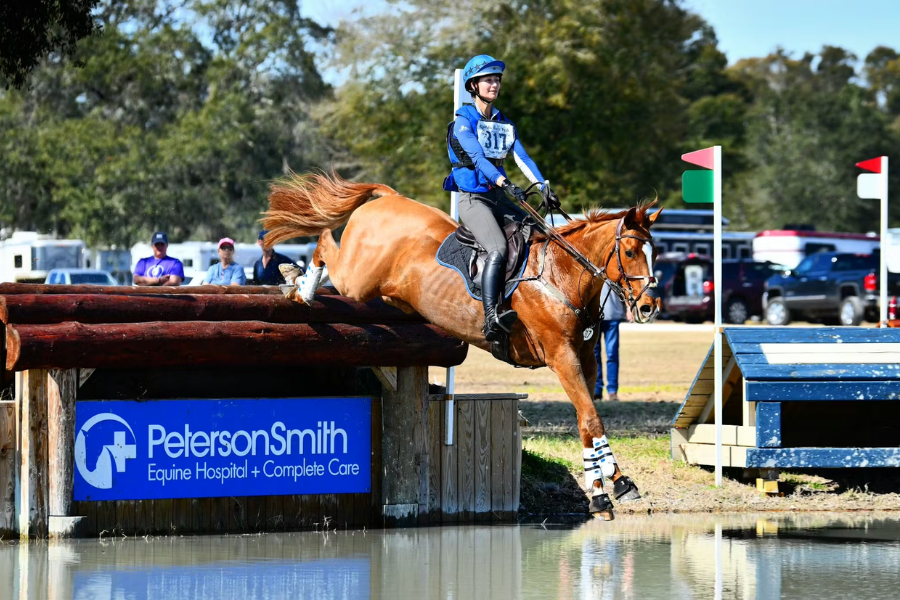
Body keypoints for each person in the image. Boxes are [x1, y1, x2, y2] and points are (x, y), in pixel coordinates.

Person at [444, 54, 560, 342]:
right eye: (488, 80)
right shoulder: (463, 121)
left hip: (499, 198)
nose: (494, 84)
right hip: (474, 199)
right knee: (497, 248)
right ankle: (492, 317)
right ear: (473, 85)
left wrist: (543, 185)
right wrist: (504, 182)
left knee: (543, 235)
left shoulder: (504, 122)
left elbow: (522, 157)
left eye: (497, 80)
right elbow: (478, 158)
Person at [594, 281, 632, 402]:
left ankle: (612, 391)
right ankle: (596, 390)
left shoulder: (615, 270)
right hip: (594, 318)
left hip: (613, 317)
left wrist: (629, 308)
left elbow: (626, 290)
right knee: (595, 355)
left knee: (612, 355)